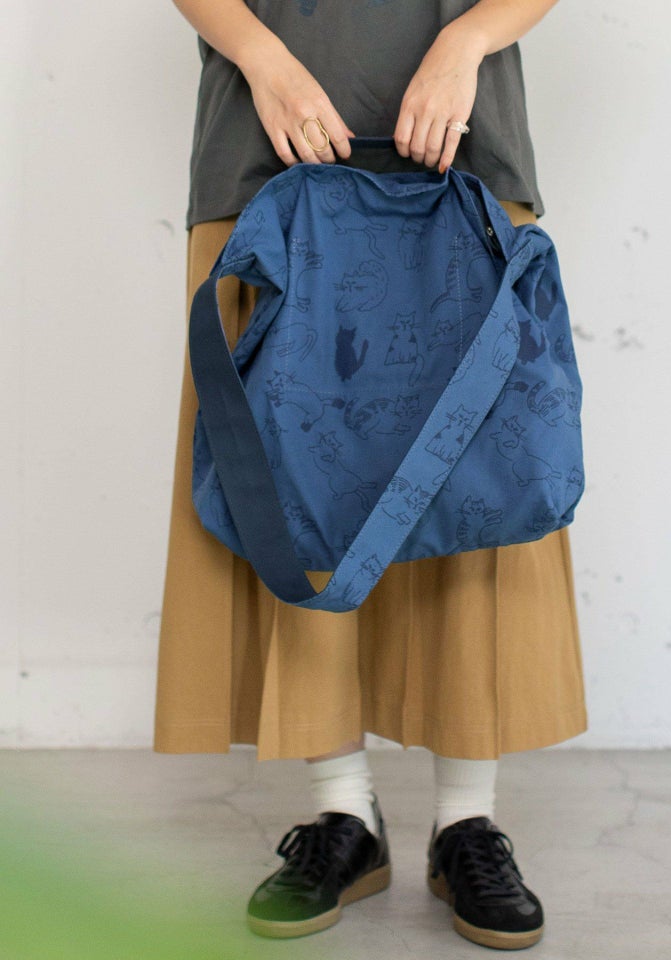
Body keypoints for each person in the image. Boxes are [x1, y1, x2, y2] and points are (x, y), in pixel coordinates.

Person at [154, 0, 587, 950]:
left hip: (463, 142)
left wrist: (467, 40)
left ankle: (467, 822)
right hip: (268, 147)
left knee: (479, 488)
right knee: (292, 491)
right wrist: (261, 59)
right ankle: (342, 812)